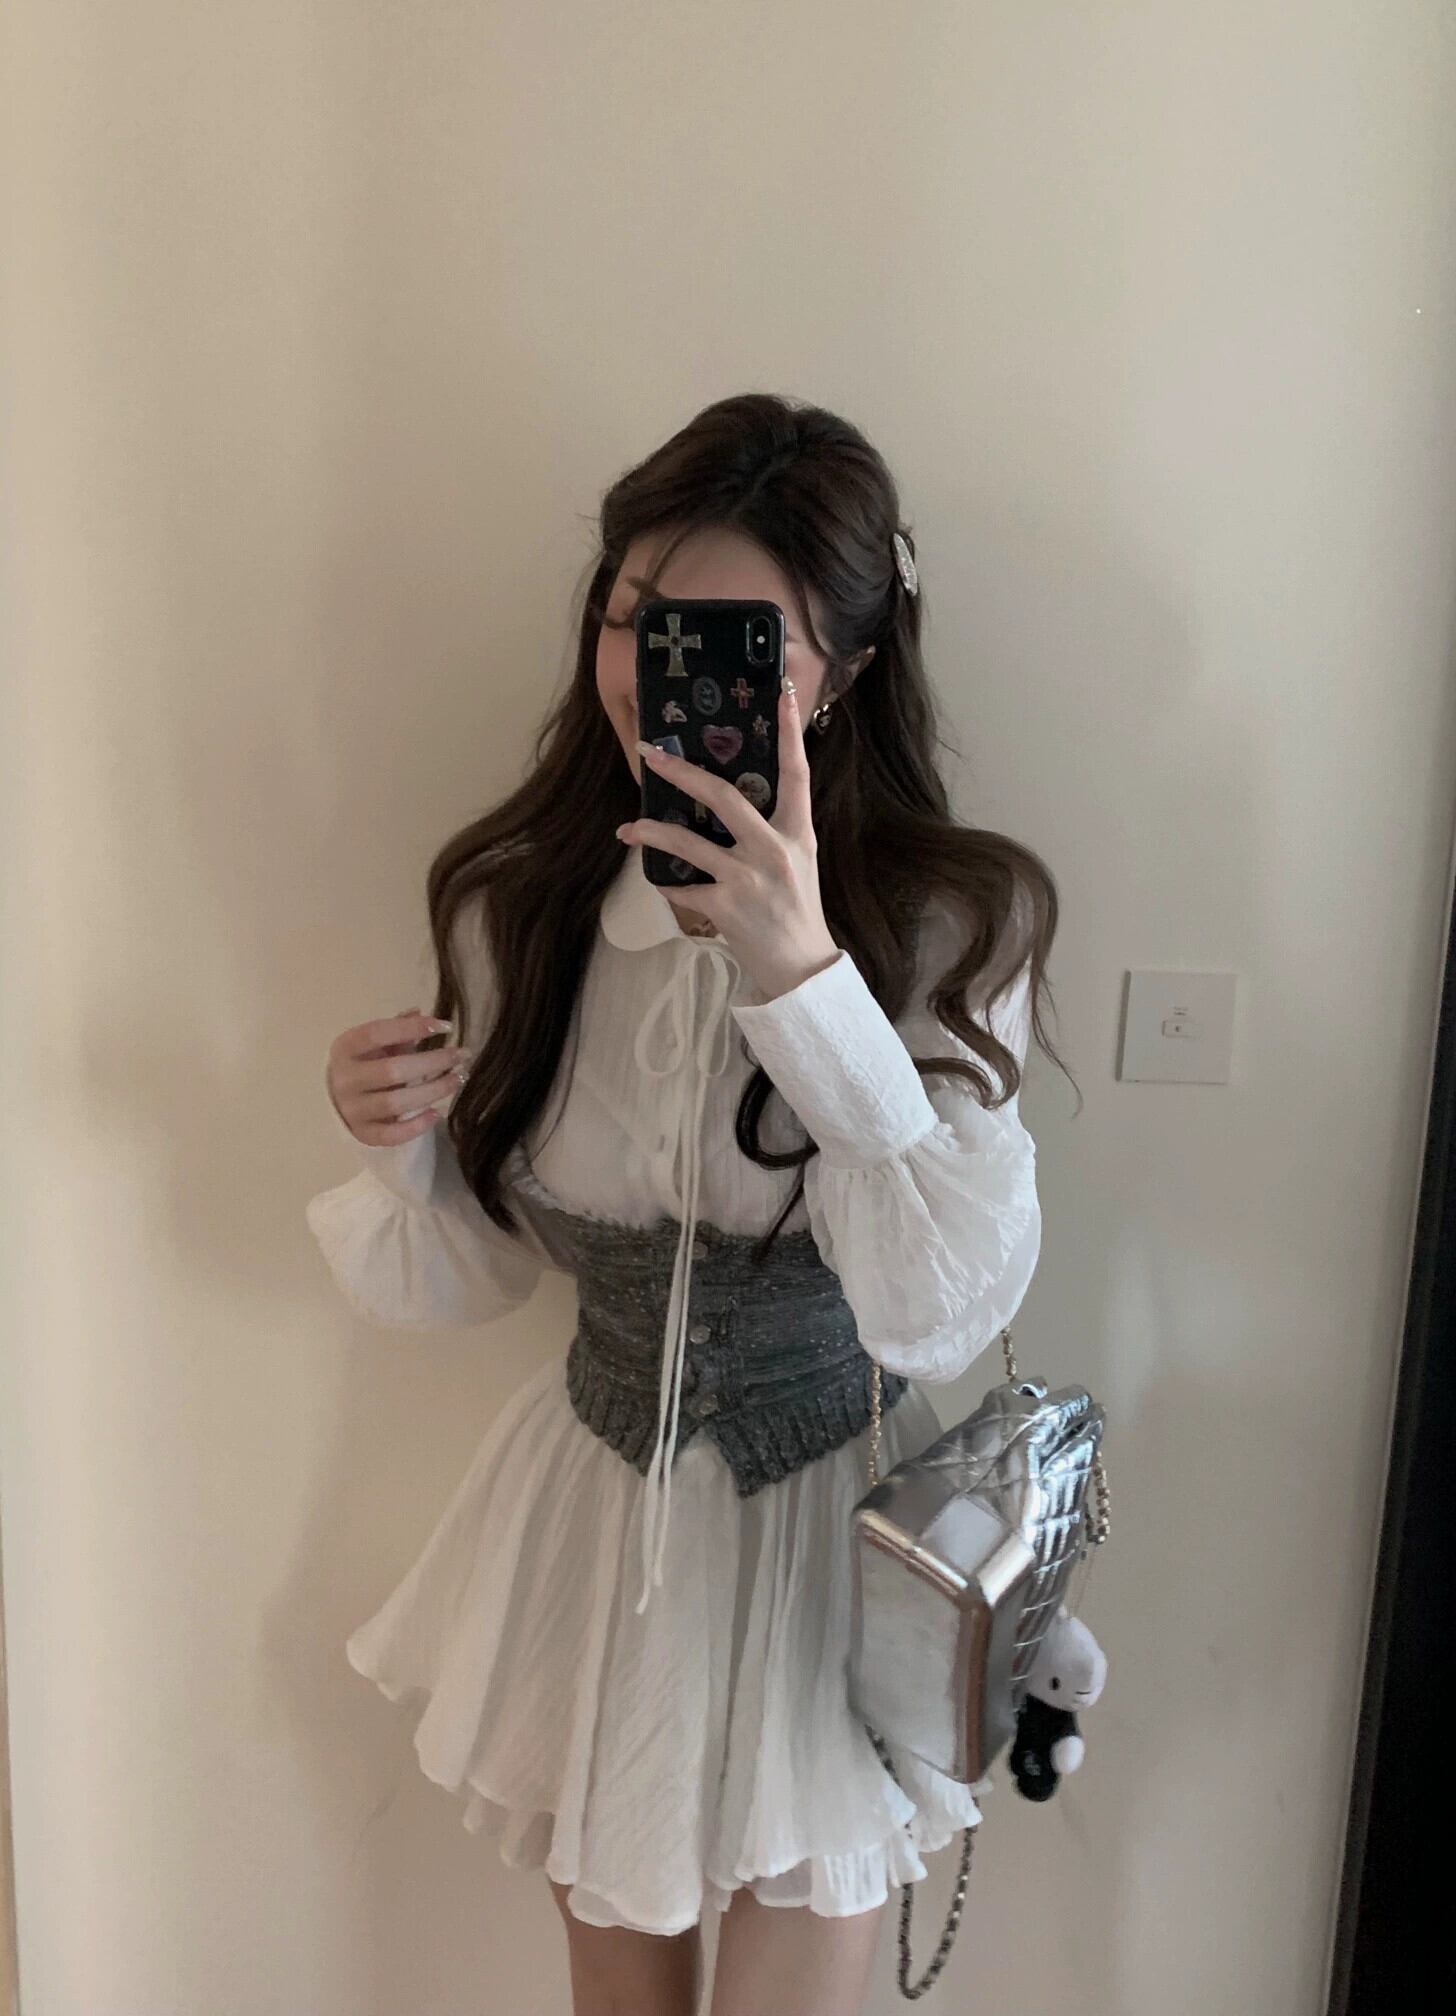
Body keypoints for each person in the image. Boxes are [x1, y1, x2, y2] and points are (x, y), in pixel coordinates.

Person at [307, 391, 1067, 2016]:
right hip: (594, 1530)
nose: (659, 667)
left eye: (735, 639)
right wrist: (398, 1144)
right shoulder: (522, 902)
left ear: (845, 668)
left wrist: (805, 979)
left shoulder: (951, 921)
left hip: (833, 1531)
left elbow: (940, 1306)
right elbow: (480, 1274)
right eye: (635, 616)